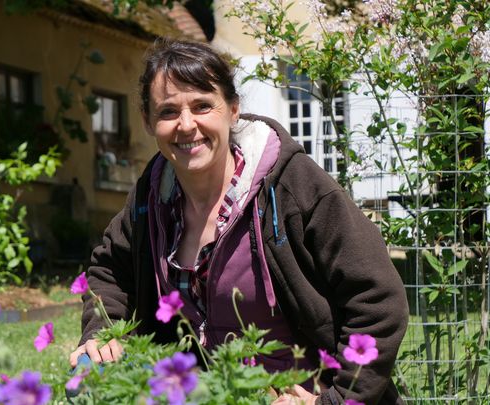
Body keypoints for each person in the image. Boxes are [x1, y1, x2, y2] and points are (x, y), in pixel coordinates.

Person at [69, 38, 408, 405]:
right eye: (168, 112)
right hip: (203, 394)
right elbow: (108, 269)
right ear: (148, 122)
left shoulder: (292, 186)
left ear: (232, 110)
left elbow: (378, 299)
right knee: (88, 375)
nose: (186, 125)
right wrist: (101, 333)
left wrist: (337, 400)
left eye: (202, 106)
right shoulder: (152, 197)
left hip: (299, 393)